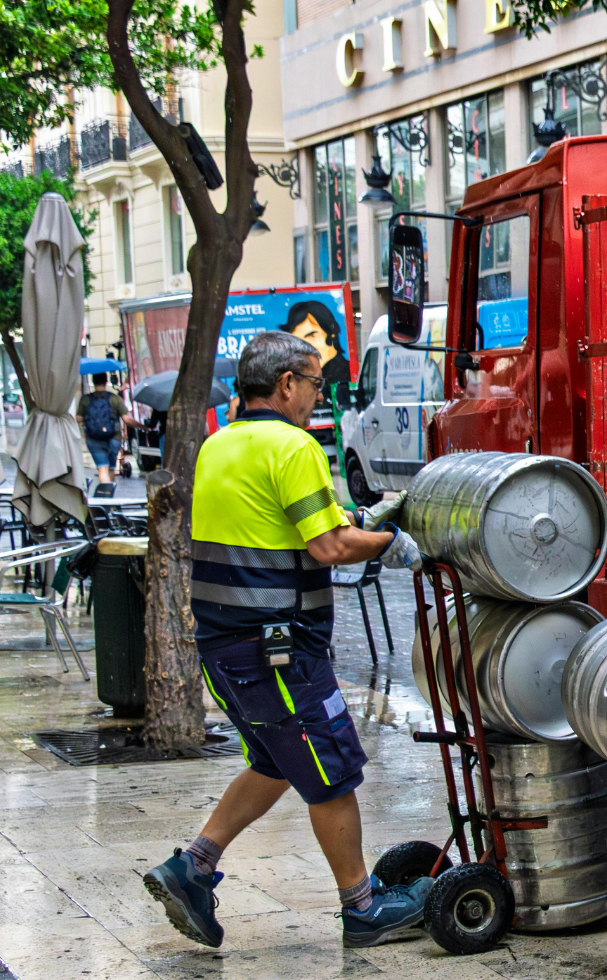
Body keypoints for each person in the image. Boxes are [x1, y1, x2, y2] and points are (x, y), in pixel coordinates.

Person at [142, 331, 425, 950]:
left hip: (222, 649)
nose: (317, 396)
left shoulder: (219, 445)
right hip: (277, 649)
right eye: (315, 383)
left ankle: (193, 866)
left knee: (274, 761)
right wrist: (391, 543)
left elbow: (281, 526)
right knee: (333, 771)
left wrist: (348, 523)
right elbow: (327, 548)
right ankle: (363, 908)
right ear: (287, 384)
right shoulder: (292, 446)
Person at [78, 374, 135, 489]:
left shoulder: (85, 399)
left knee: (102, 470)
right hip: (113, 439)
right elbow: (126, 419)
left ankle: (106, 498)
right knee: (111, 469)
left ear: (93, 382)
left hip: (93, 439)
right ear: (106, 381)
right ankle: (110, 499)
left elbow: (78, 419)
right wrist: (143, 426)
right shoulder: (115, 398)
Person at [279, 300, 351, 384]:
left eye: (312, 335)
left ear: (332, 332)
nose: (304, 346)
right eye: (297, 340)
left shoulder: (345, 376)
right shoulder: (299, 378)